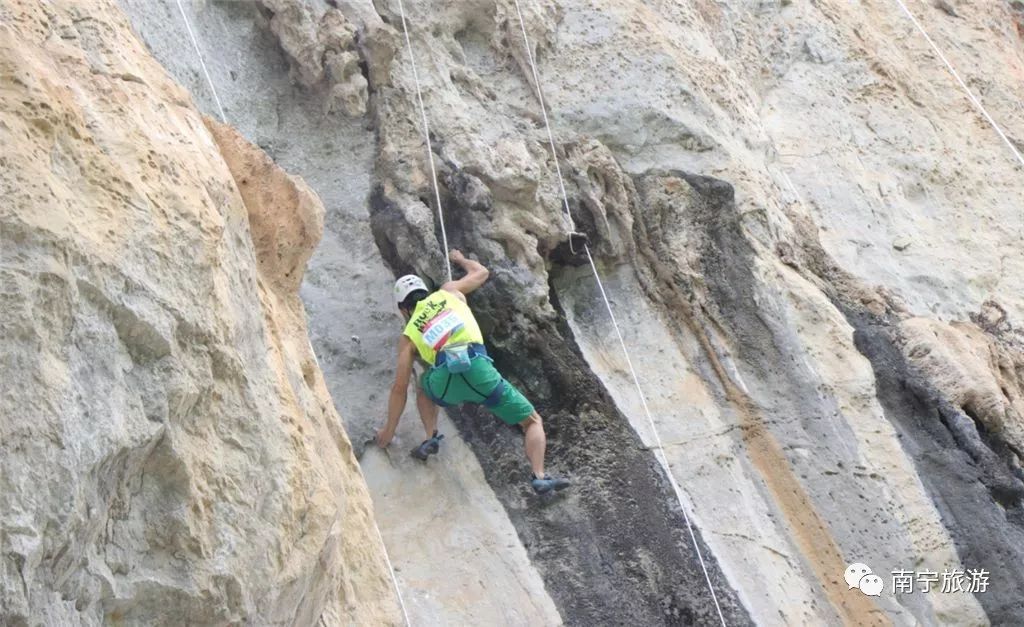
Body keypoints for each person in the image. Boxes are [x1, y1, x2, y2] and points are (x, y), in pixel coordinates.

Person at [375, 249, 570, 494]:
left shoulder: (409, 334)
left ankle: (430, 437)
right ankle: (539, 475)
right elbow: (481, 273)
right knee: (532, 421)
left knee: (423, 385)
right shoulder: (448, 293)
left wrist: (387, 433)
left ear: (403, 309)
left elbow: (399, 388)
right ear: (425, 292)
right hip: (479, 370)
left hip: (446, 382)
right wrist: (459, 259)